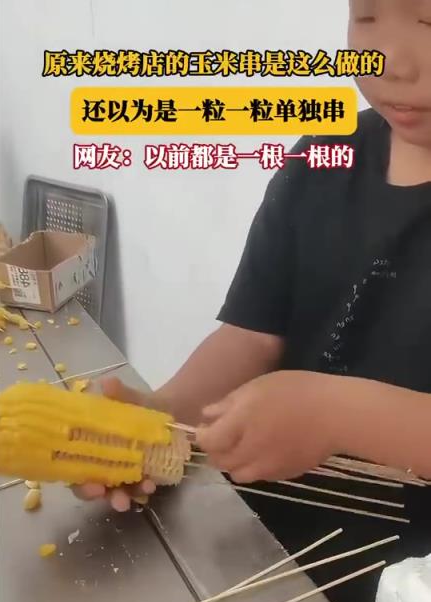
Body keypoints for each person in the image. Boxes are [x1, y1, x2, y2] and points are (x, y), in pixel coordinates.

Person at [75, 0, 431, 512]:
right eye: (366, 18)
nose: (389, 61)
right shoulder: (321, 157)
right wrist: (162, 417)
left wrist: (339, 414)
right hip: (257, 529)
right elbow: (252, 335)